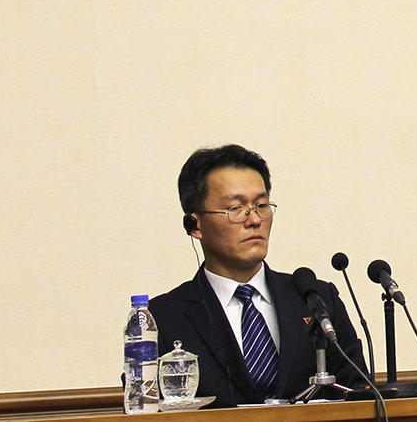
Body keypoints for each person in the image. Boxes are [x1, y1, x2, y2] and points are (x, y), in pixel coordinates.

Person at [151, 144, 367, 407]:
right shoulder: (163, 318)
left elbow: (358, 394)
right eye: (235, 208)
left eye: (261, 205)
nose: (254, 219)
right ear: (194, 225)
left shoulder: (316, 299)